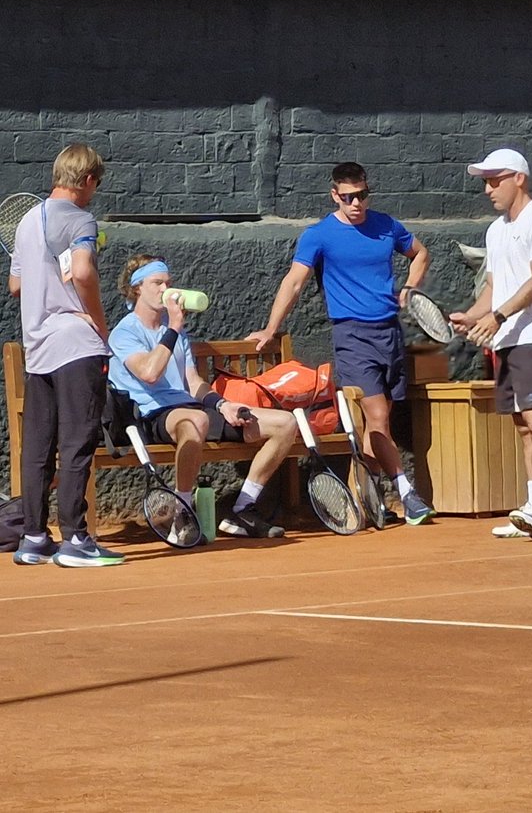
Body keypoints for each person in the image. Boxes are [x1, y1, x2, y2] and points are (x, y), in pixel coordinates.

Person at [246, 162, 437, 525]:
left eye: (362, 195)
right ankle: (407, 493)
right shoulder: (319, 235)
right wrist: (270, 328)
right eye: (348, 197)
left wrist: (410, 287)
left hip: (390, 333)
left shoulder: (386, 226)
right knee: (377, 415)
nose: (356, 203)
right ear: (335, 195)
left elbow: (421, 254)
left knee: (376, 424)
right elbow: (294, 282)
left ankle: (371, 499)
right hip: (352, 336)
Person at [108, 254, 297, 538]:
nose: (166, 289)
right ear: (137, 289)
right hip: (150, 415)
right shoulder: (124, 333)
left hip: (192, 411)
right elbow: (149, 373)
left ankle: (242, 509)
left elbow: (193, 382)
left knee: (285, 423)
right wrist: (173, 328)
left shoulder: (177, 332)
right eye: (157, 283)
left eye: (168, 283)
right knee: (196, 420)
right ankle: (182, 511)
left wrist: (223, 405)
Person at [8, 144, 125, 567]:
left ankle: (34, 538)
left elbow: (16, 286)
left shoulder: (24, 223)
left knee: (38, 447)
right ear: (89, 179)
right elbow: (82, 271)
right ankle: (75, 539)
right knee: (77, 443)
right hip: (76, 344)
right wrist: (98, 321)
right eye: (97, 183)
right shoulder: (81, 219)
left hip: (38, 348)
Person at [450, 149, 532, 541]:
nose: (488, 189)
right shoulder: (495, 230)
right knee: (522, 425)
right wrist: (473, 314)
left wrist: (497, 316)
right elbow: (493, 286)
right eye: (485, 181)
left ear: (518, 178)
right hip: (507, 337)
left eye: (494, 179)